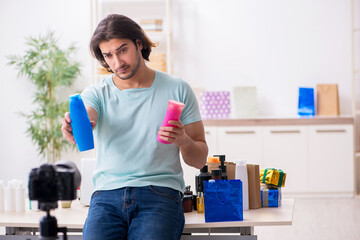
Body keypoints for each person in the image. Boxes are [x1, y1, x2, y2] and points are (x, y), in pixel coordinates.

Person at [61, 14, 208, 240]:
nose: (117, 63)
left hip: (159, 193)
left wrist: (183, 140)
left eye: (122, 50)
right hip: (106, 196)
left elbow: (198, 160)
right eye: (108, 55)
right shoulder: (97, 93)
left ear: (139, 44)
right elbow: (88, 116)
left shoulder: (178, 88)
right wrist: (75, 126)